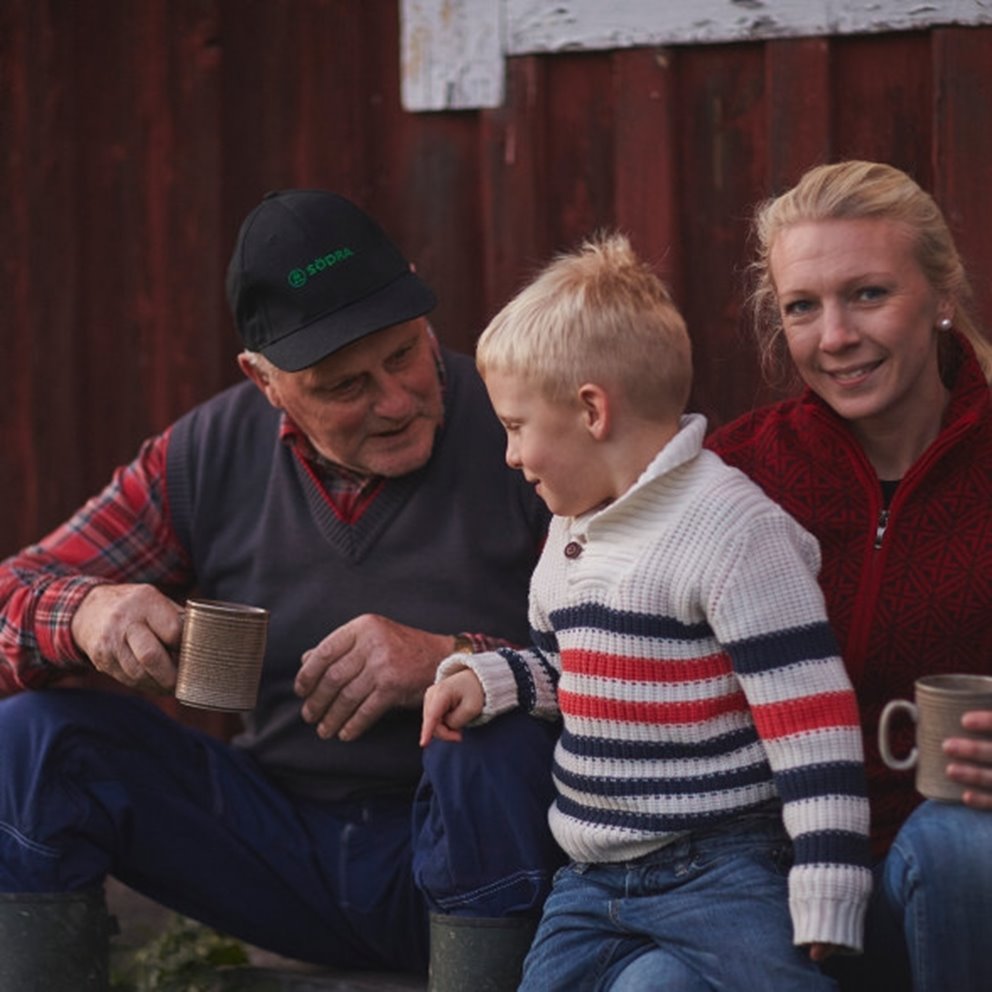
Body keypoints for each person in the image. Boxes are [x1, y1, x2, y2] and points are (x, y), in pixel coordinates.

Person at [0, 189, 562, 986]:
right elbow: (14, 593)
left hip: (495, 859)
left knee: (481, 730)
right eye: (344, 386)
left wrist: (456, 659)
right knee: (31, 740)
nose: (397, 400)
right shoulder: (204, 455)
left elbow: (648, 659)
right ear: (263, 380)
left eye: (404, 353)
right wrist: (85, 613)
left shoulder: (527, 424)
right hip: (279, 849)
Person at [421, 232, 873, 991]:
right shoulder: (572, 528)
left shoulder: (733, 533)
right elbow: (575, 669)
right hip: (591, 878)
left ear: (592, 409)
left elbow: (812, 721)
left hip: (722, 869)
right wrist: (494, 679)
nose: (509, 455)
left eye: (516, 427)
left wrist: (829, 883)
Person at [706, 159, 992, 991]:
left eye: (868, 294)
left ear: (942, 296)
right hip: (766, 884)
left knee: (962, 848)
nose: (834, 336)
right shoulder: (733, 474)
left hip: (952, 881)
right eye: (803, 307)